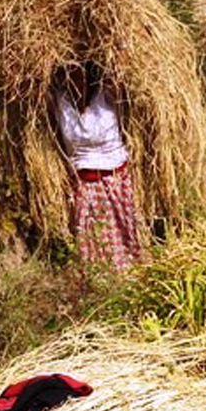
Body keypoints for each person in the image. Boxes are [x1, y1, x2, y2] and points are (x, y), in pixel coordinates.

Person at [54, 61, 145, 268]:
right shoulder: (61, 101)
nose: (76, 80)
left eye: (80, 74)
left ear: (89, 75)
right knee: (89, 242)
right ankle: (98, 286)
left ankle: (130, 281)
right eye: (70, 74)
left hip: (115, 181)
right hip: (83, 186)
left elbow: (128, 76)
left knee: (125, 237)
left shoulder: (107, 95)